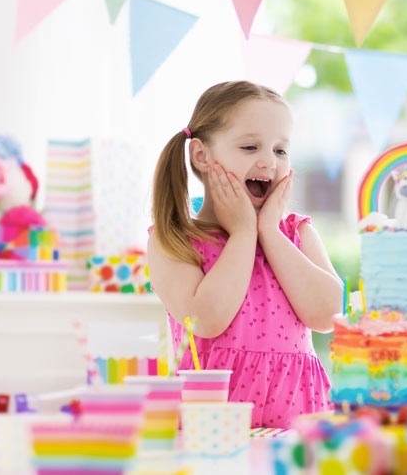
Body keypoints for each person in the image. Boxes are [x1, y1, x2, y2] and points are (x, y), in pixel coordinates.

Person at [146, 80, 343, 428]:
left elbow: (328, 314)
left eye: (281, 151)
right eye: (250, 147)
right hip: (211, 427)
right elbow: (205, 320)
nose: (269, 161)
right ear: (202, 156)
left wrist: (268, 231)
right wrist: (242, 233)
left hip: (296, 422)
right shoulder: (174, 238)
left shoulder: (296, 233)